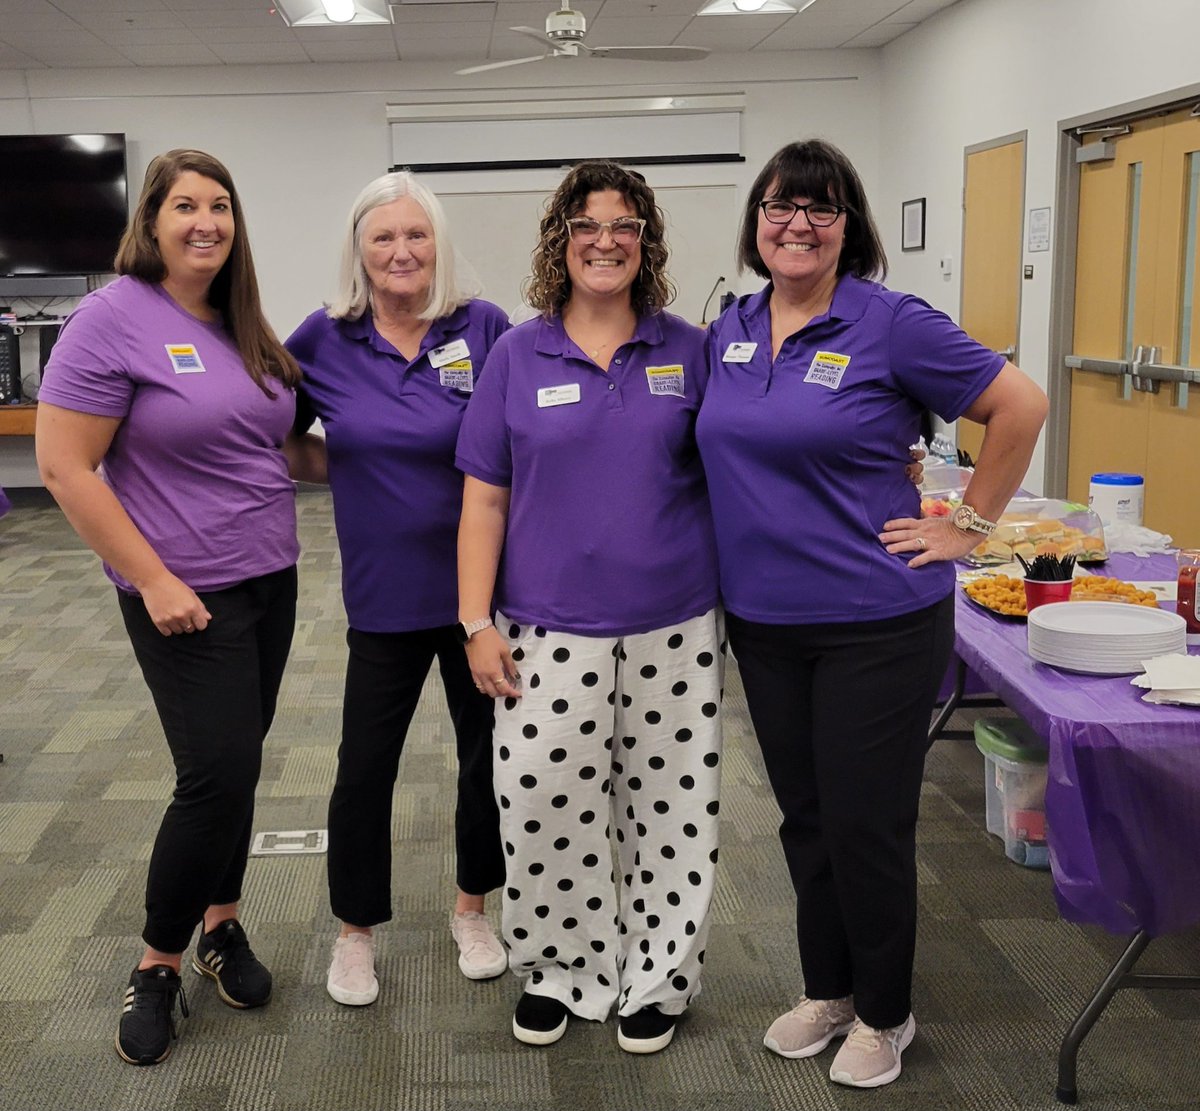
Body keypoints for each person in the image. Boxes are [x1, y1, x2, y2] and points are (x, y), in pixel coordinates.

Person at [696, 139, 1048, 1089]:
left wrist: (968, 526)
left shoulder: (892, 323)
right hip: (766, 624)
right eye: (780, 206)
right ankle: (832, 989)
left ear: (849, 226)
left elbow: (1020, 403)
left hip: (874, 621)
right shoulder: (727, 329)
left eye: (821, 208)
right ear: (756, 224)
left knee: (866, 820)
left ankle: (887, 1011)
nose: (797, 223)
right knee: (806, 819)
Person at [35, 149, 302, 1065]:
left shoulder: (235, 318)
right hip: (184, 592)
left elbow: (265, 446)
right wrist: (152, 578)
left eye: (220, 206)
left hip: (270, 576)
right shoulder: (110, 318)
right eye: (185, 205)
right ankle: (156, 961)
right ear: (150, 220)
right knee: (215, 773)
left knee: (240, 762)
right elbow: (64, 467)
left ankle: (220, 925)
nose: (206, 222)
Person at [455, 161, 724, 1055]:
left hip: (676, 622)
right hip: (545, 625)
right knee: (540, 801)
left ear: (646, 241)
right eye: (586, 224)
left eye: (624, 225)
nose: (604, 240)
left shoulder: (689, 349)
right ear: (559, 240)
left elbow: (758, 453)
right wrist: (475, 621)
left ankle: (658, 975)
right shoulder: (515, 354)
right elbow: (483, 498)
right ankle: (562, 969)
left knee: (671, 810)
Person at [283, 172, 509, 1006]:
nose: (401, 251)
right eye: (382, 238)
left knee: (487, 758)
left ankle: (472, 907)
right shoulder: (324, 337)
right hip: (381, 595)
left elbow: (524, 445)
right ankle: (355, 932)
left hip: (479, 597)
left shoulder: (483, 327)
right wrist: (340, 466)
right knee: (362, 769)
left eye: (415, 235)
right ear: (360, 251)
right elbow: (274, 437)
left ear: (437, 244)